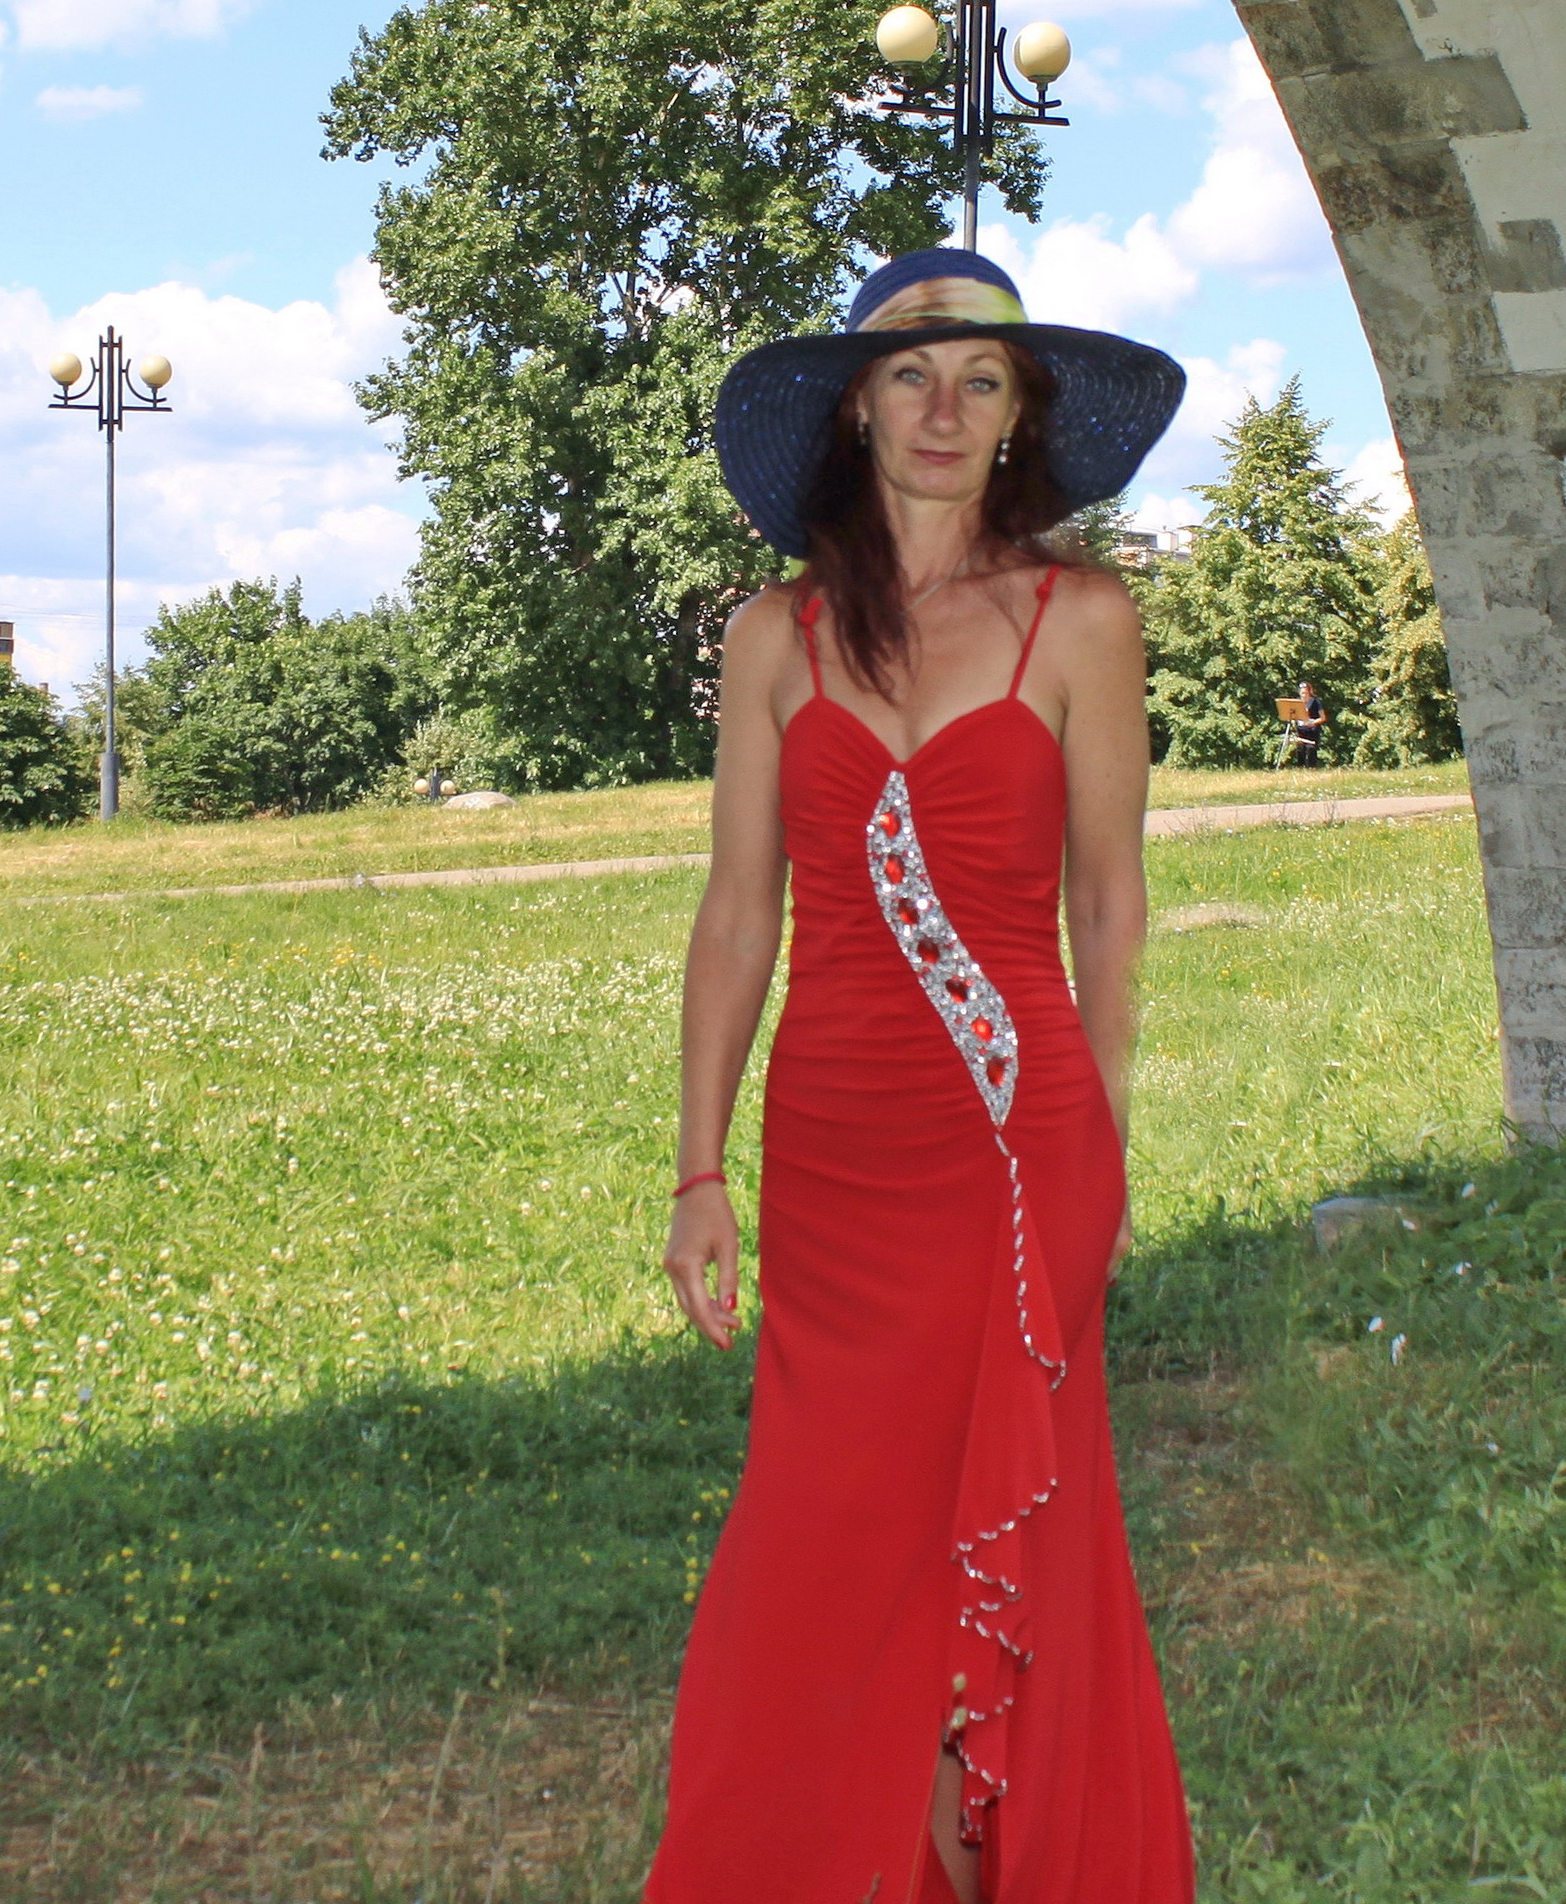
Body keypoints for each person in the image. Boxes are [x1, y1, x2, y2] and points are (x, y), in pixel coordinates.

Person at [647, 248, 1195, 1903]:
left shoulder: (1082, 620)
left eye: (981, 379)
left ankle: (984, 1861)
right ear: (855, 409)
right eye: (909, 373)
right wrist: (698, 1168)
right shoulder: (775, 636)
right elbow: (737, 915)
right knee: (829, 1532)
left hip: (1021, 1156)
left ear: (1020, 413)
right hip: (832, 1156)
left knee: (1001, 1519)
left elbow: (1109, 901)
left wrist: (1106, 1140)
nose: (943, 409)